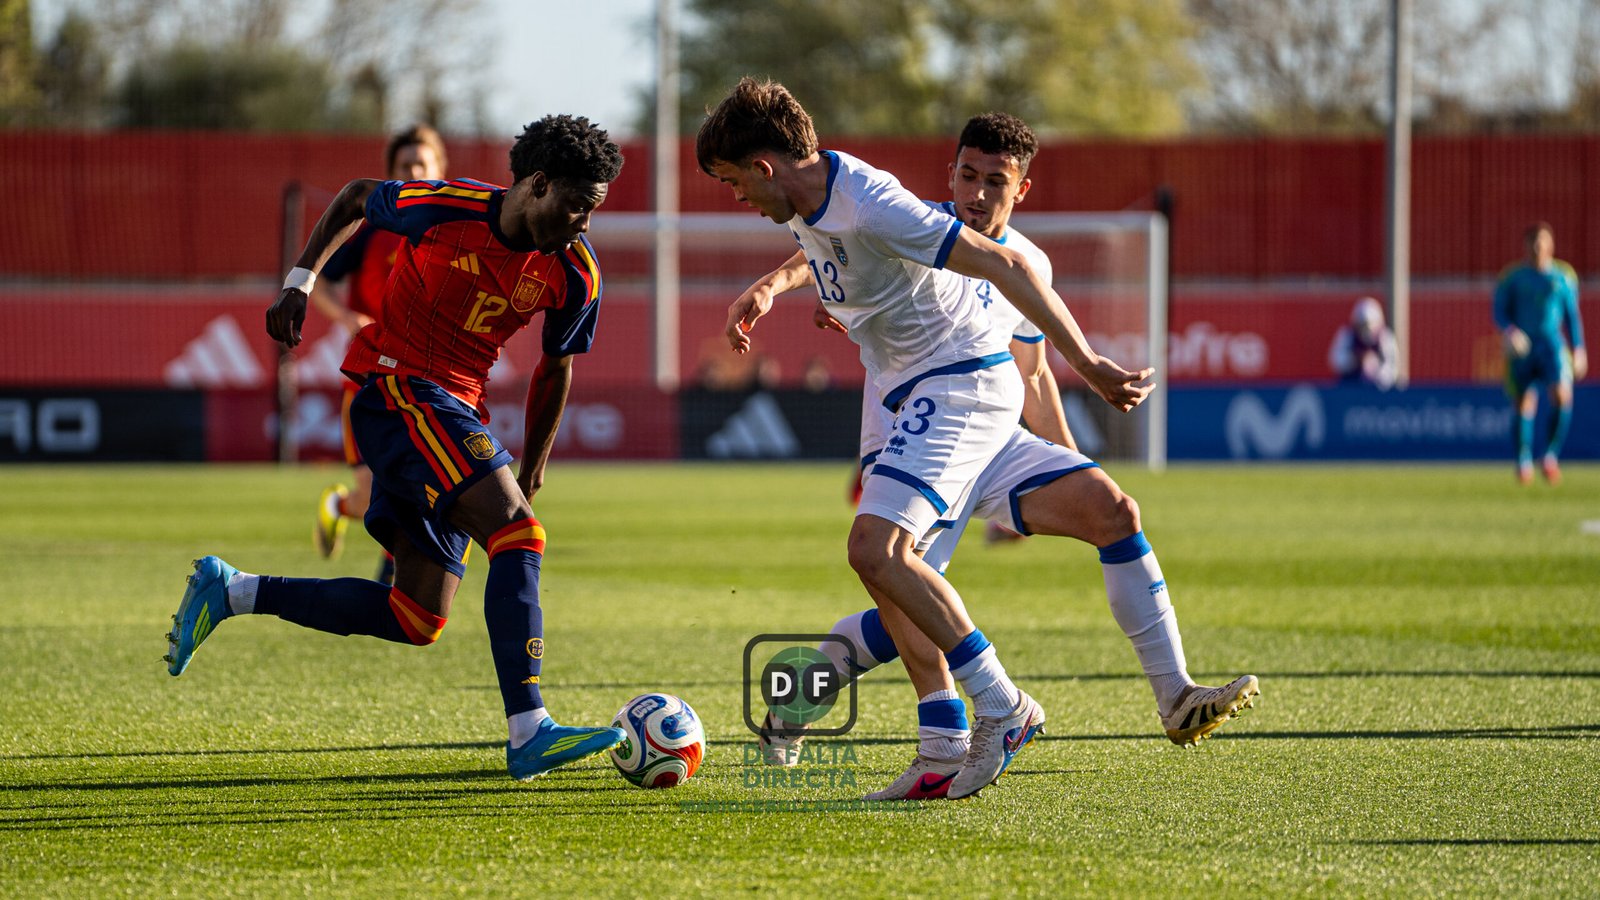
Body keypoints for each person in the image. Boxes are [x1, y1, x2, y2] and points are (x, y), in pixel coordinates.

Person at [733, 108, 1259, 800]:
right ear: (950, 172)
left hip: (986, 428)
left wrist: (1069, 463)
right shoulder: (915, 220)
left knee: (1113, 510)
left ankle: (1176, 696)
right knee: (904, 592)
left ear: (1023, 190)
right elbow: (825, 248)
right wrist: (784, 285)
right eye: (968, 175)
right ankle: (889, 723)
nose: (977, 193)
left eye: (995, 182)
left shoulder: (1027, 265)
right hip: (910, 426)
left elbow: (1033, 373)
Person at [165, 115, 628, 782]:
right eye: (578, 204)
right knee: (519, 536)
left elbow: (557, 369)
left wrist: (533, 466)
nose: (584, 221)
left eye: (595, 209)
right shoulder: (448, 207)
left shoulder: (576, 272)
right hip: (396, 386)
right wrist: (299, 280)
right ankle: (531, 729)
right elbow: (357, 195)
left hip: (454, 408)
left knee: (414, 615)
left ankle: (233, 591)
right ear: (538, 184)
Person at [310, 124, 450, 583]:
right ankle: (339, 505)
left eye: (421, 163)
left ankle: (392, 577)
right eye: (404, 165)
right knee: (373, 491)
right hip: (370, 376)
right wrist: (347, 318)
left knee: (421, 484)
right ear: (390, 173)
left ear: (439, 170)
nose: (413, 171)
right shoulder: (372, 228)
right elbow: (322, 281)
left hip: (429, 377)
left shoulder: (454, 228)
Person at [1494, 222, 1587, 485]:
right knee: (1523, 402)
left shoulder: (1563, 276)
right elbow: (1499, 311)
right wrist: (1510, 330)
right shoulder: (1513, 277)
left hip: (1552, 345)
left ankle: (1550, 457)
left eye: (1542, 241)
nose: (1537, 247)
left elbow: (1572, 316)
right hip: (1522, 348)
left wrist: (1579, 349)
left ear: (1551, 244)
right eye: (1532, 241)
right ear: (1525, 246)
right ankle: (1523, 461)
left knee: (1561, 394)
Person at [1327, 296, 1399, 390]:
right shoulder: (1347, 335)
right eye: (1363, 325)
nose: (1366, 329)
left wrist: (1376, 369)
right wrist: (1355, 359)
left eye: (1369, 324)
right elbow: (1336, 361)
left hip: (1378, 392)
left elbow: (1392, 368)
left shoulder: (1385, 338)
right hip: (1349, 388)